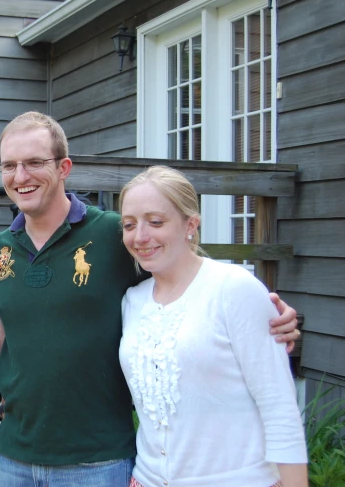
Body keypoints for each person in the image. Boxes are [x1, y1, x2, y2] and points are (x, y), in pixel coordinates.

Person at [0, 112, 301, 487]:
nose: (21, 176)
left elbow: (189, 276)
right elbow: (11, 329)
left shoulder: (113, 235)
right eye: (9, 165)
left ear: (64, 166)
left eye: (35, 162)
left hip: (98, 462)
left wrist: (267, 317)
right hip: (17, 457)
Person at [119, 165, 307, 487]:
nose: (141, 236)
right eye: (129, 224)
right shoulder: (132, 301)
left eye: (156, 222)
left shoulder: (233, 289)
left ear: (190, 224)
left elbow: (279, 406)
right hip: (146, 480)